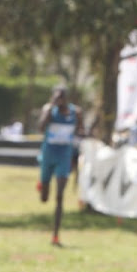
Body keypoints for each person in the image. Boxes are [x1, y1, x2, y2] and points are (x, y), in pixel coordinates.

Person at [37, 86, 83, 246]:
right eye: (55, 98)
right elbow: (40, 128)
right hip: (48, 154)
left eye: (60, 98)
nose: (58, 101)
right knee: (44, 198)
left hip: (64, 156)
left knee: (59, 196)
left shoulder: (76, 112)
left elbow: (80, 129)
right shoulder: (49, 110)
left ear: (66, 99)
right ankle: (42, 184)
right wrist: (49, 112)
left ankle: (55, 236)